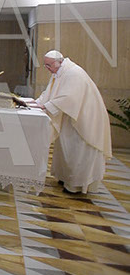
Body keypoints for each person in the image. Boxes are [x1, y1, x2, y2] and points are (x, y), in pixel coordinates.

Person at [28, 50, 112, 194]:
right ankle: (65, 178)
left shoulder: (74, 73)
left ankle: (76, 185)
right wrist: (36, 103)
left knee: (78, 151)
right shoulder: (60, 72)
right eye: (45, 65)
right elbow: (49, 93)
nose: (47, 68)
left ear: (59, 62)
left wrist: (46, 106)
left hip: (83, 119)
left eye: (49, 65)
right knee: (67, 149)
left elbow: (69, 98)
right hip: (70, 116)